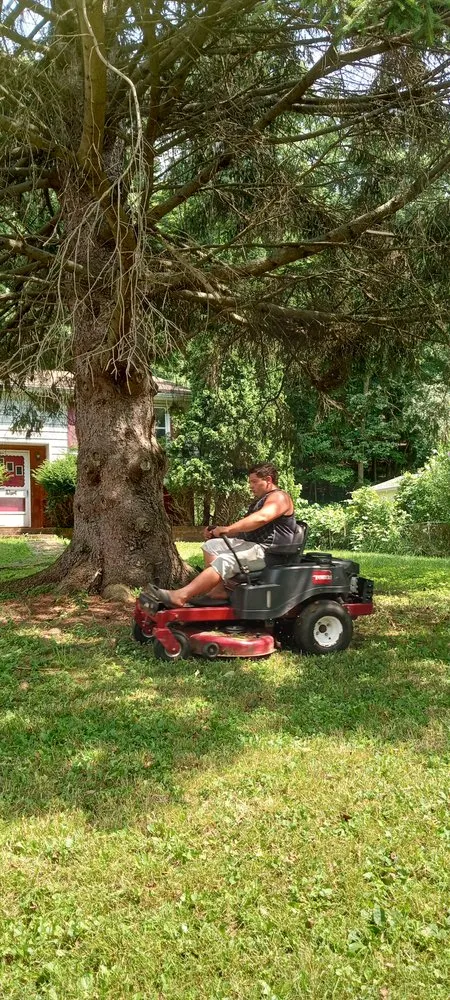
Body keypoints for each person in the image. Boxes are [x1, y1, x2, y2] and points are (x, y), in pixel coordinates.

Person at [147, 462, 297, 608]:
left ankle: (181, 595)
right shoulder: (263, 499)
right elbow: (248, 527)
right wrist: (216, 530)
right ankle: (218, 590)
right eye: (250, 482)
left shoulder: (280, 497)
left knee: (225, 560)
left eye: (254, 482)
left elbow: (261, 518)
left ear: (268, 480)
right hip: (255, 546)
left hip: (270, 552)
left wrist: (228, 529)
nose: (250, 486)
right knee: (211, 545)